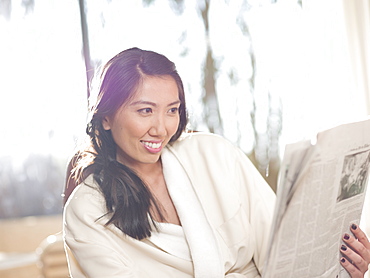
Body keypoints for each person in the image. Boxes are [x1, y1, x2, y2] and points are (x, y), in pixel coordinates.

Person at [63, 47, 370, 278]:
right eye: (145, 111)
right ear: (105, 117)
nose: (161, 128)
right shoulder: (87, 210)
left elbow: (281, 254)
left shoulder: (213, 154)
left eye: (172, 110)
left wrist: (345, 269)